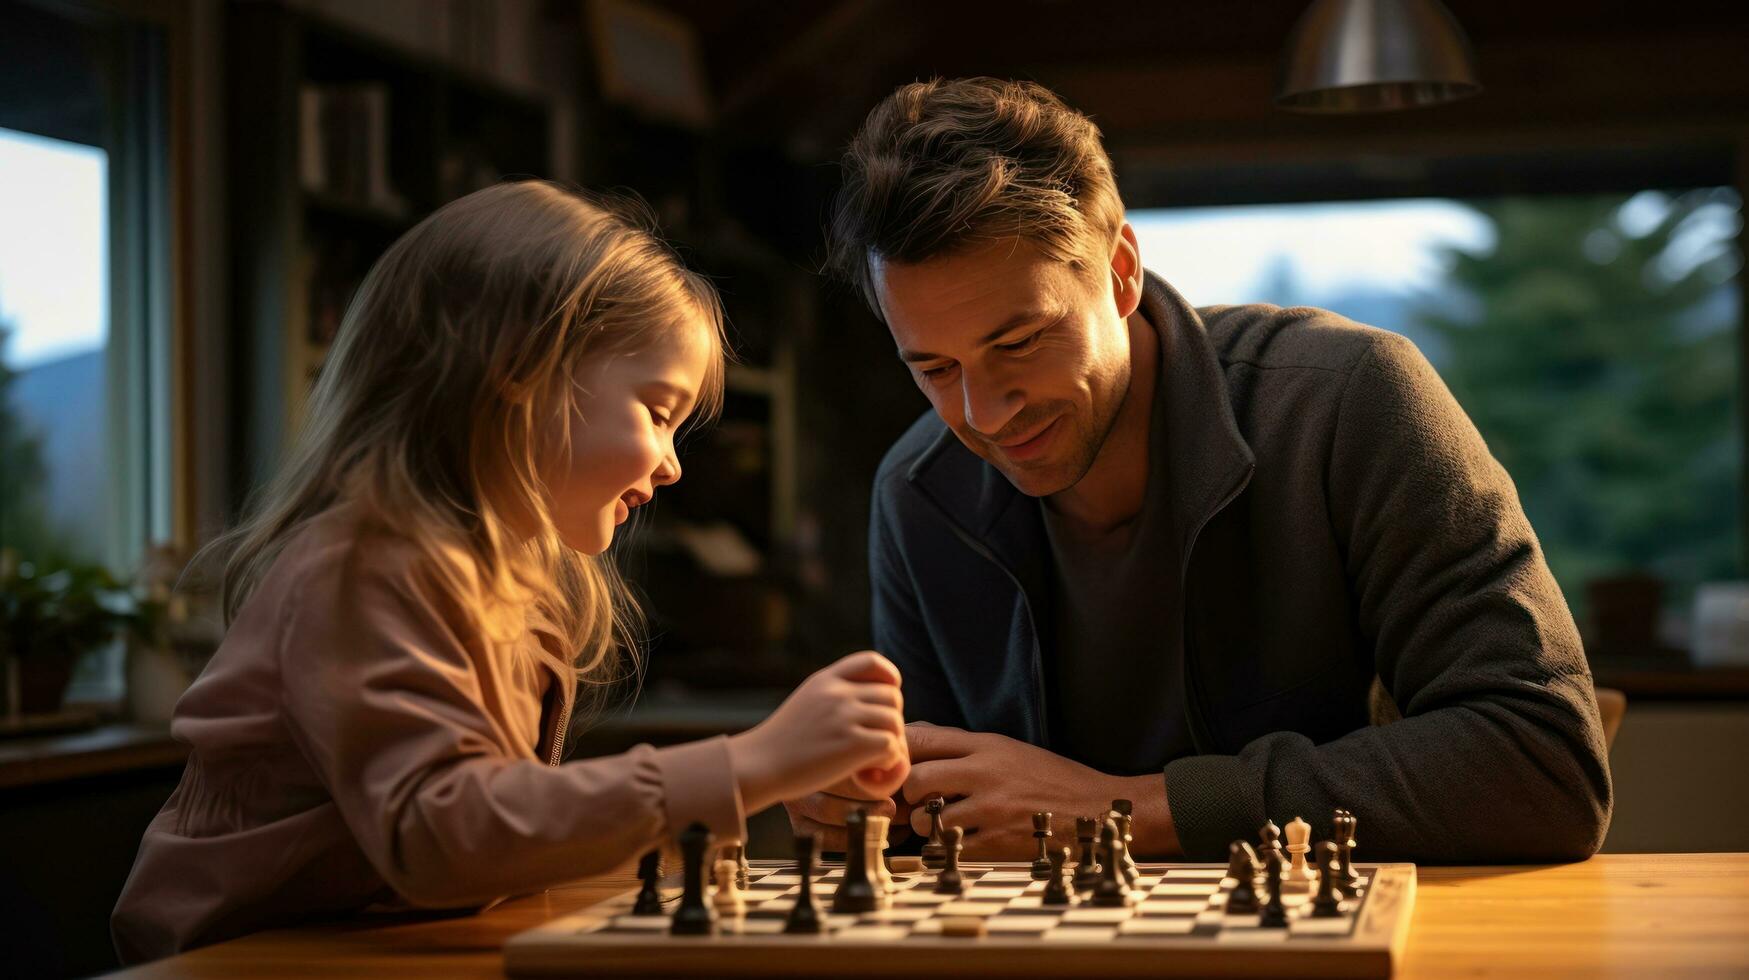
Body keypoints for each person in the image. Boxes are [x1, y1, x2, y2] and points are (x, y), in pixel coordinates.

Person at [784, 77, 1611, 864]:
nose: (984, 412)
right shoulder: (918, 491)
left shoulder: (1346, 400)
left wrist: (1128, 811)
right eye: (933, 368)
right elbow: (941, 819)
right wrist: (862, 807)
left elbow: (1543, 765)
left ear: (1119, 272)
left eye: (1019, 342)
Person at [111, 181, 909, 963]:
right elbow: (443, 835)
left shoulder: (496, 582)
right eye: (657, 412)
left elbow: (479, 848)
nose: (670, 466)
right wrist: (754, 764)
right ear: (519, 375)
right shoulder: (361, 565)